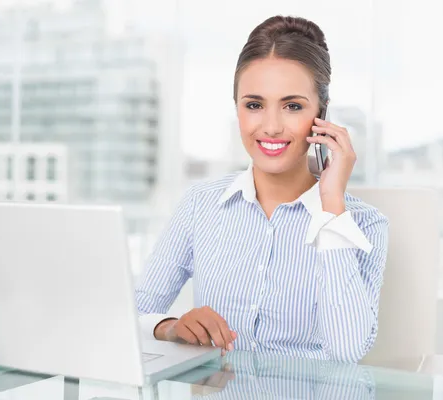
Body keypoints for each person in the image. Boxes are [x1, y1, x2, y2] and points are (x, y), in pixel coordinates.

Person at [135, 15, 389, 363]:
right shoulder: (200, 205)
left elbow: (346, 353)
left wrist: (331, 206)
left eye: (293, 106)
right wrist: (170, 327)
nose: (270, 127)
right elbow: (135, 311)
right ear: (237, 108)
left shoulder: (364, 224)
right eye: (254, 105)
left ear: (322, 115)